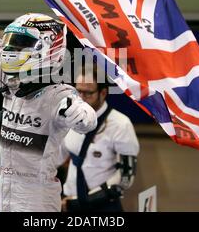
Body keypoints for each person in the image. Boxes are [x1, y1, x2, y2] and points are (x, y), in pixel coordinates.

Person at [0, 0, 97, 212]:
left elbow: (88, 122)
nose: (11, 49)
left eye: (20, 44)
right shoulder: (9, 78)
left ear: (48, 48)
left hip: (37, 198)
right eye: (12, 42)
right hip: (5, 191)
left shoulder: (59, 96)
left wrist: (81, 115)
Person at [60, 65, 140, 212]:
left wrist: (85, 201)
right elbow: (56, 158)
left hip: (102, 205)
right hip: (68, 202)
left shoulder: (121, 124)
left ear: (103, 93)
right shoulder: (68, 118)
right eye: (78, 92)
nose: (81, 99)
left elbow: (126, 177)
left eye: (88, 93)